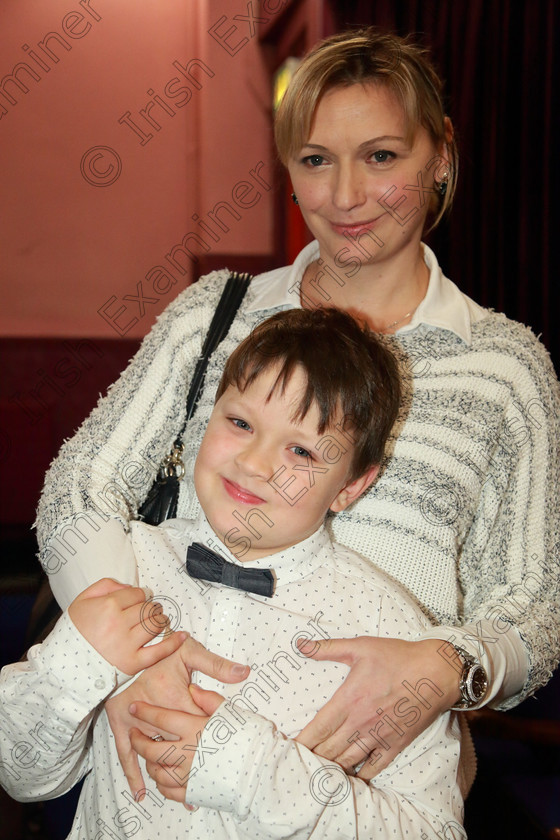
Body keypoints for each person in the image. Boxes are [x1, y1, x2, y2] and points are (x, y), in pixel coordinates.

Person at [35, 27, 560, 784]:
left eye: (381, 156)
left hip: (367, 789)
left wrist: (441, 671)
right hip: (166, 760)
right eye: (316, 160)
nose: (344, 197)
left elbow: (532, 613)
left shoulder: (504, 369)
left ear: (440, 155)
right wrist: (127, 654)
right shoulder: (212, 315)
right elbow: (80, 484)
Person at [1, 309, 466, 839]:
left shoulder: (388, 628)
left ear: (351, 487)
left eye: (301, 450)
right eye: (241, 423)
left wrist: (257, 774)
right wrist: (77, 659)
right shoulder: (124, 567)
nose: (254, 462)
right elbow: (23, 776)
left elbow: (435, 831)